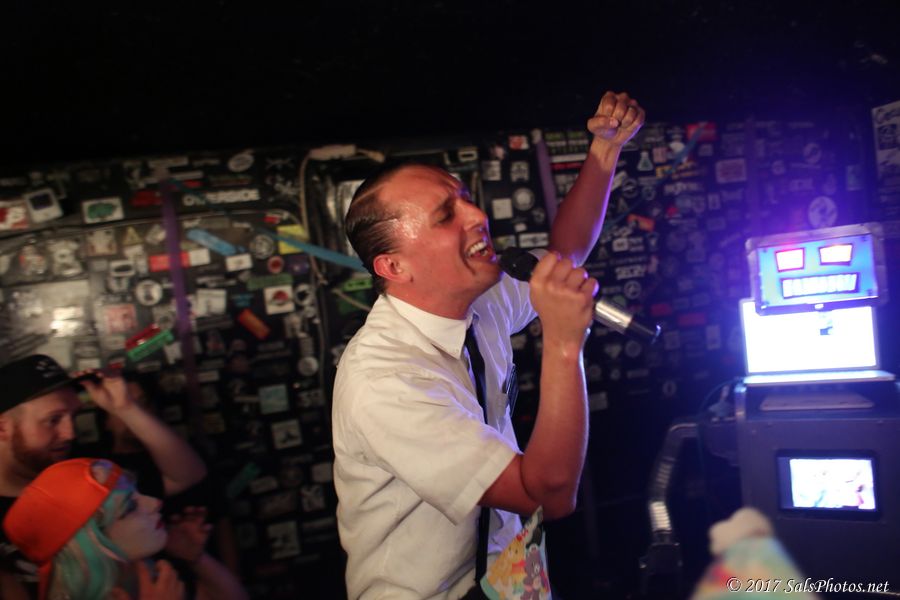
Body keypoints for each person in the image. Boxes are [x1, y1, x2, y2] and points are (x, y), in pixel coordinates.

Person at [332, 91, 645, 598]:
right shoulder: (384, 380)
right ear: (394, 267)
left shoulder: (482, 298)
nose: (476, 214)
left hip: (511, 572)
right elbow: (547, 495)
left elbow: (564, 255)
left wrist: (605, 150)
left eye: (464, 197)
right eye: (445, 216)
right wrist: (564, 343)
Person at [0, 354, 207, 597]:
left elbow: (186, 475)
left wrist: (126, 409)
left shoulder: (90, 473)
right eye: (53, 420)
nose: (70, 433)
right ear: (2, 427)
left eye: (72, 417)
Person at [2, 457, 248, 600]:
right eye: (130, 507)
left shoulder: (139, 573)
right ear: (90, 542)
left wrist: (196, 558)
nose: (155, 503)